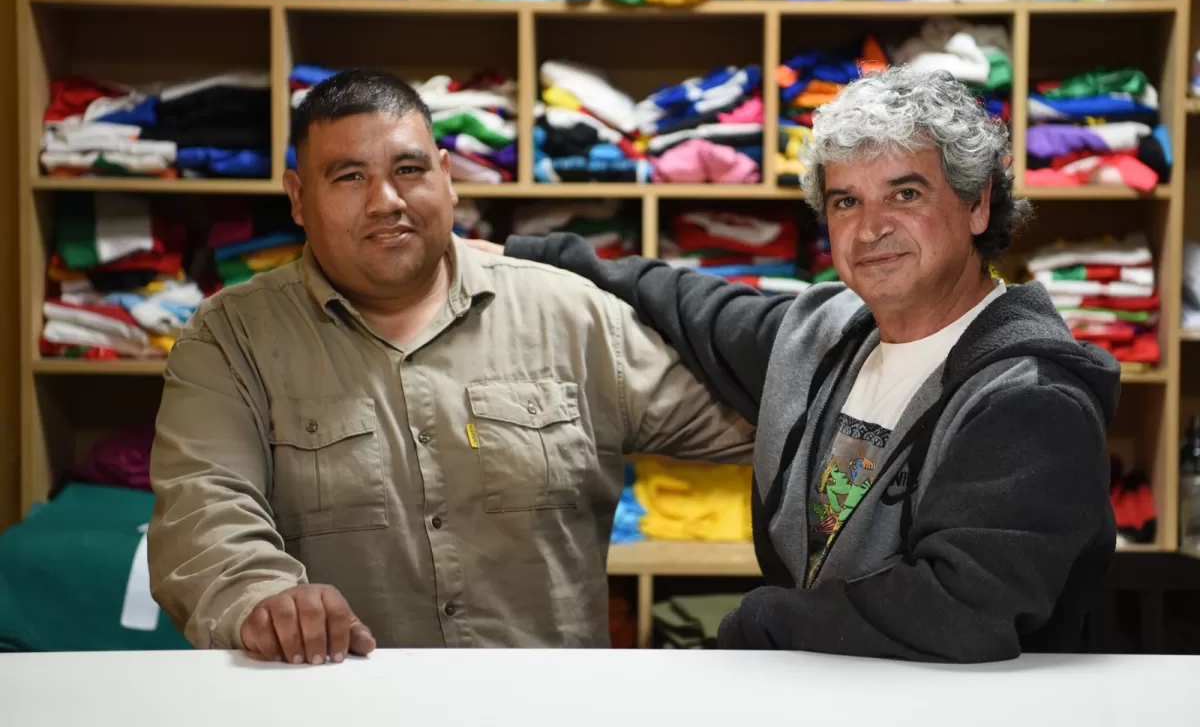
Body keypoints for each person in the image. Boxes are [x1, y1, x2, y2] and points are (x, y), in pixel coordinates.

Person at [481, 66, 1121, 662]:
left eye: (904, 193)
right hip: (828, 694)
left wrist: (760, 625)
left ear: (977, 204)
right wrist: (516, 253)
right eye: (847, 202)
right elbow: (693, 301)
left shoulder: (1032, 398)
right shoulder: (829, 339)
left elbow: (962, 608)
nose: (871, 229)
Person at [146, 69, 754, 663]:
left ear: (447, 175)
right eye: (350, 176)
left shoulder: (570, 317)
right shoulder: (233, 337)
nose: (386, 201)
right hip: (343, 710)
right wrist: (262, 596)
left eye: (408, 170)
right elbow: (204, 505)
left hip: (543, 711)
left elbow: (772, 422)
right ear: (299, 199)